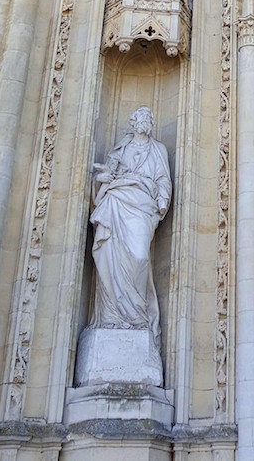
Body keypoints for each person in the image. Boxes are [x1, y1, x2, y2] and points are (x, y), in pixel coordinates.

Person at [89, 106, 172, 343]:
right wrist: (101, 180)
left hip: (143, 205)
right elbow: (105, 178)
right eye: (142, 117)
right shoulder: (121, 149)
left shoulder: (158, 150)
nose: (146, 120)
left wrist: (162, 201)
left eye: (150, 117)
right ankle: (112, 316)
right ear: (133, 122)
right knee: (109, 256)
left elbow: (163, 178)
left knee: (139, 257)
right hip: (116, 200)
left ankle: (137, 316)